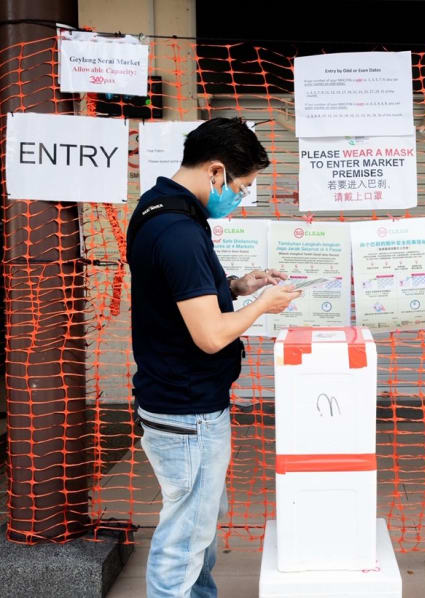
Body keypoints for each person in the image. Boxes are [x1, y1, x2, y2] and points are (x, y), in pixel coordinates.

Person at [127, 117, 301, 597]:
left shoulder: (156, 207)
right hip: (188, 409)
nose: (241, 198)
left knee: (199, 526)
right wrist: (261, 305)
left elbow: (177, 297)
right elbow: (209, 336)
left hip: (176, 399)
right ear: (217, 172)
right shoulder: (180, 232)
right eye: (242, 187)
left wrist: (237, 286)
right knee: (184, 541)